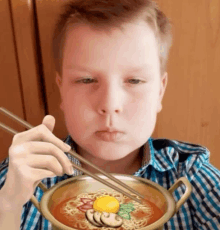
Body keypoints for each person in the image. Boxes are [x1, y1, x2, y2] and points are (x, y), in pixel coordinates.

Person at [0, 0, 219, 229]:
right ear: (61, 89)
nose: (110, 104)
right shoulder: (21, 177)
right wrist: (8, 206)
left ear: (160, 91)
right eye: (86, 80)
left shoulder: (190, 173)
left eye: (134, 80)